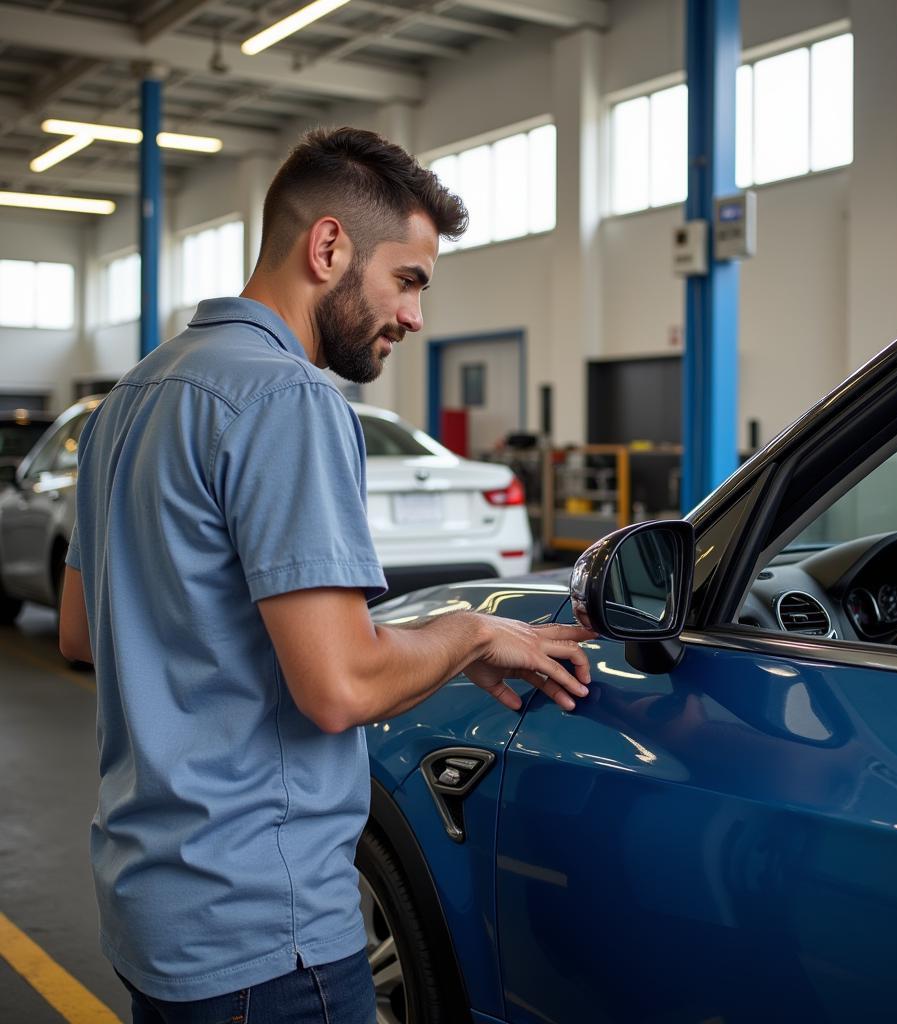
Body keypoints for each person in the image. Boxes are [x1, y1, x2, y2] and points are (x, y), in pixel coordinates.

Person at [58, 126, 595, 1024]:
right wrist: (468, 631)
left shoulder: (131, 398)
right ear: (330, 246)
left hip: (151, 911)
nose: (416, 316)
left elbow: (81, 631)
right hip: (262, 932)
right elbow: (341, 688)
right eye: (410, 279)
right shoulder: (291, 400)